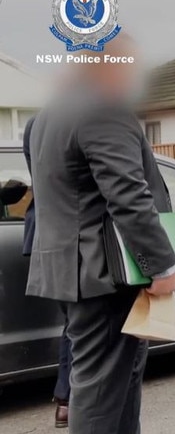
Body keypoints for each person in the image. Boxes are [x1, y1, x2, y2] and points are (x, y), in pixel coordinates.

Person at [26, 35, 175, 434]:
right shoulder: (101, 110)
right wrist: (163, 265)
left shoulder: (48, 116)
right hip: (107, 277)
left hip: (77, 272)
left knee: (117, 384)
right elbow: (129, 196)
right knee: (101, 394)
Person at [21, 115, 72, 428]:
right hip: (75, 232)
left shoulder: (35, 123)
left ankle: (66, 400)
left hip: (44, 231)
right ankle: (70, 399)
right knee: (82, 322)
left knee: (74, 321)